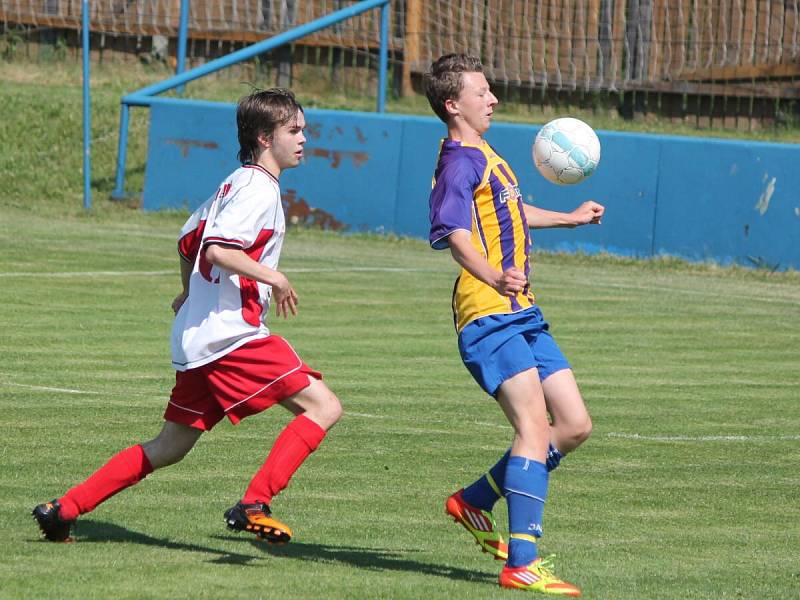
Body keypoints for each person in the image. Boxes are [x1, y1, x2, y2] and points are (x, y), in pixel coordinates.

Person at [32, 88, 342, 544]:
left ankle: (64, 509)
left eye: (303, 130)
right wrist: (273, 278)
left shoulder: (233, 184)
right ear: (263, 137)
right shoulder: (257, 189)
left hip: (199, 338)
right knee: (324, 406)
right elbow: (216, 250)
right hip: (232, 337)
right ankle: (255, 502)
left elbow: (187, 240)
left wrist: (186, 293)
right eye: (293, 130)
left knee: (170, 446)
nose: (303, 139)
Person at [425, 54, 604, 596]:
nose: (493, 98)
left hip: (522, 310)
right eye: (482, 92)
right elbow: (451, 232)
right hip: (487, 312)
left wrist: (568, 217)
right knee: (532, 429)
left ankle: (475, 499)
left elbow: (512, 211)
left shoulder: (488, 154)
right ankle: (521, 562)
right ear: (454, 104)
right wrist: (494, 276)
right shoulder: (458, 161)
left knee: (572, 425)